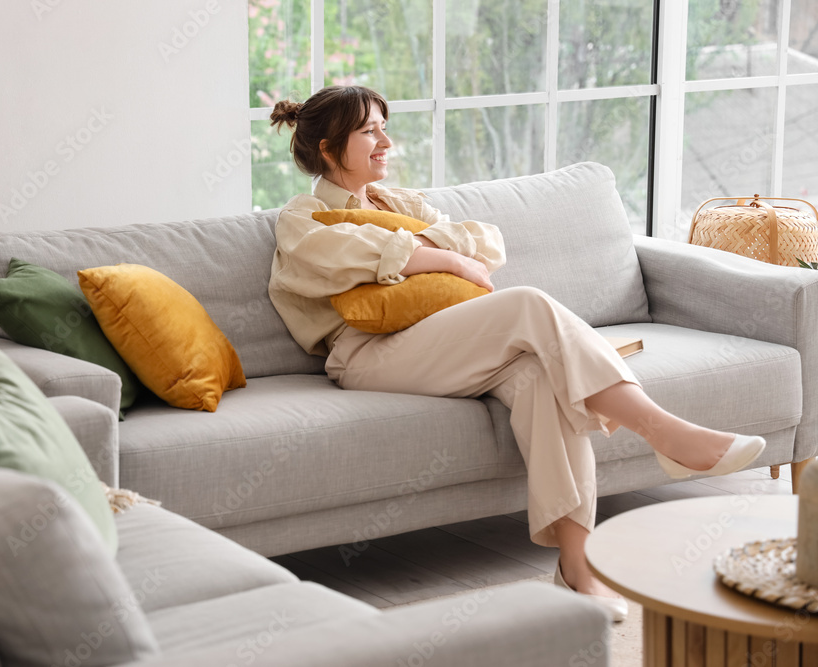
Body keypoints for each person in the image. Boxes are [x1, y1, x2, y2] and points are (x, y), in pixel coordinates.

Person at [266, 85, 765, 622]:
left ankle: (578, 567)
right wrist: (448, 260)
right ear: (327, 147)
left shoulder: (401, 204)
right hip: (369, 355)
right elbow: (358, 254)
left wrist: (433, 250)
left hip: (444, 337)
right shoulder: (305, 216)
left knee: (540, 377)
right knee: (525, 303)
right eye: (370, 131)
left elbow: (489, 244)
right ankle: (663, 432)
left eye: (384, 126)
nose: (386, 140)